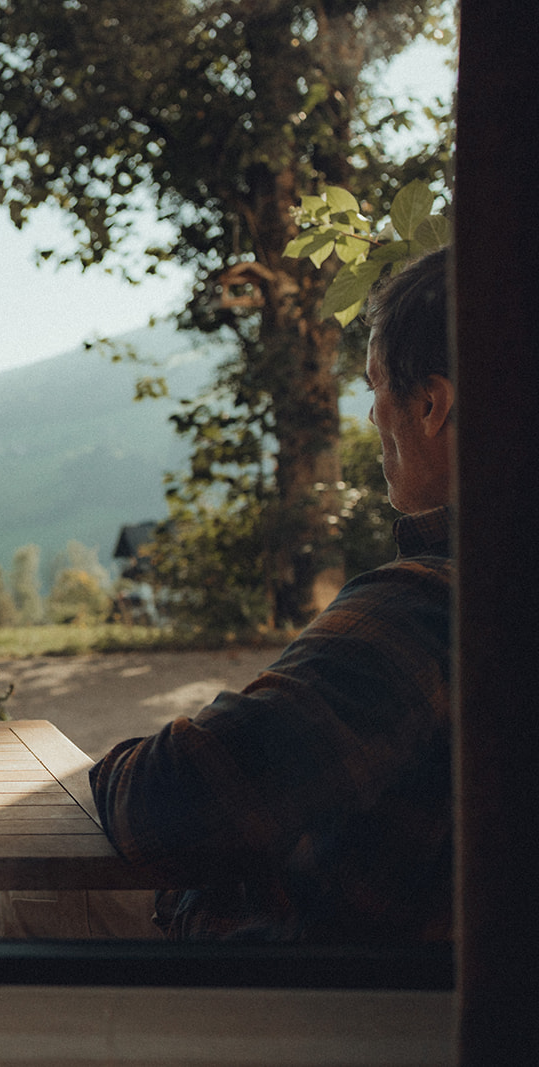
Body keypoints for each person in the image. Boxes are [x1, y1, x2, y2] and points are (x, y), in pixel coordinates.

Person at [82, 245, 455, 941]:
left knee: (40, 895)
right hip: (422, 974)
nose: (372, 418)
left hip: (310, 982)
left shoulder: (427, 610)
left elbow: (169, 804)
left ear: (431, 405)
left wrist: (104, 770)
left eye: (375, 388)